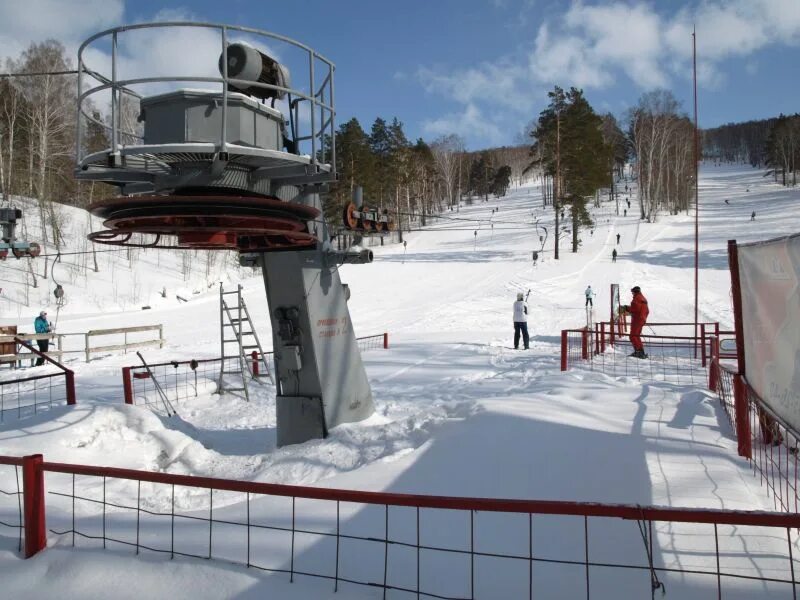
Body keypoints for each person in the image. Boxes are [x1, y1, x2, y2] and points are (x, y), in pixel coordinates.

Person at [621, 286, 649, 358]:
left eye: (632, 292)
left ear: (635, 292)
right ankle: (640, 351)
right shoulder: (643, 298)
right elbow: (647, 311)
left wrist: (626, 308)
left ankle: (639, 352)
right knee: (636, 336)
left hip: (637, 319)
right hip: (641, 319)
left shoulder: (637, 298)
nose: (632, 293)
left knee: (633, 336)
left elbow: (634, 309)